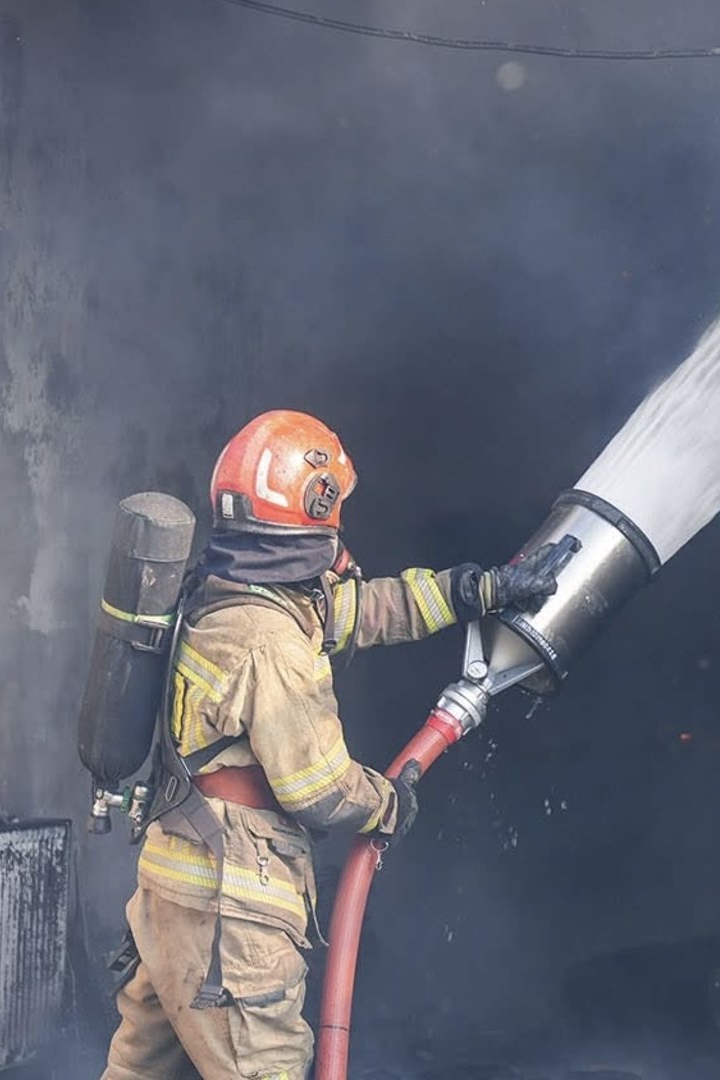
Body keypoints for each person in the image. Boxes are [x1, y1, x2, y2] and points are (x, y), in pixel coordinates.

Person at [101, 409, 562, 1080]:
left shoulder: (226, 595)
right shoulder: (272, 643)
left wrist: (474, 591)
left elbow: (367, 610)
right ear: (315, 506)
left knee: (139, 1072)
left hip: (172, 897)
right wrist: (388, 803)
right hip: (231, 917)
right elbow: (316, 787)